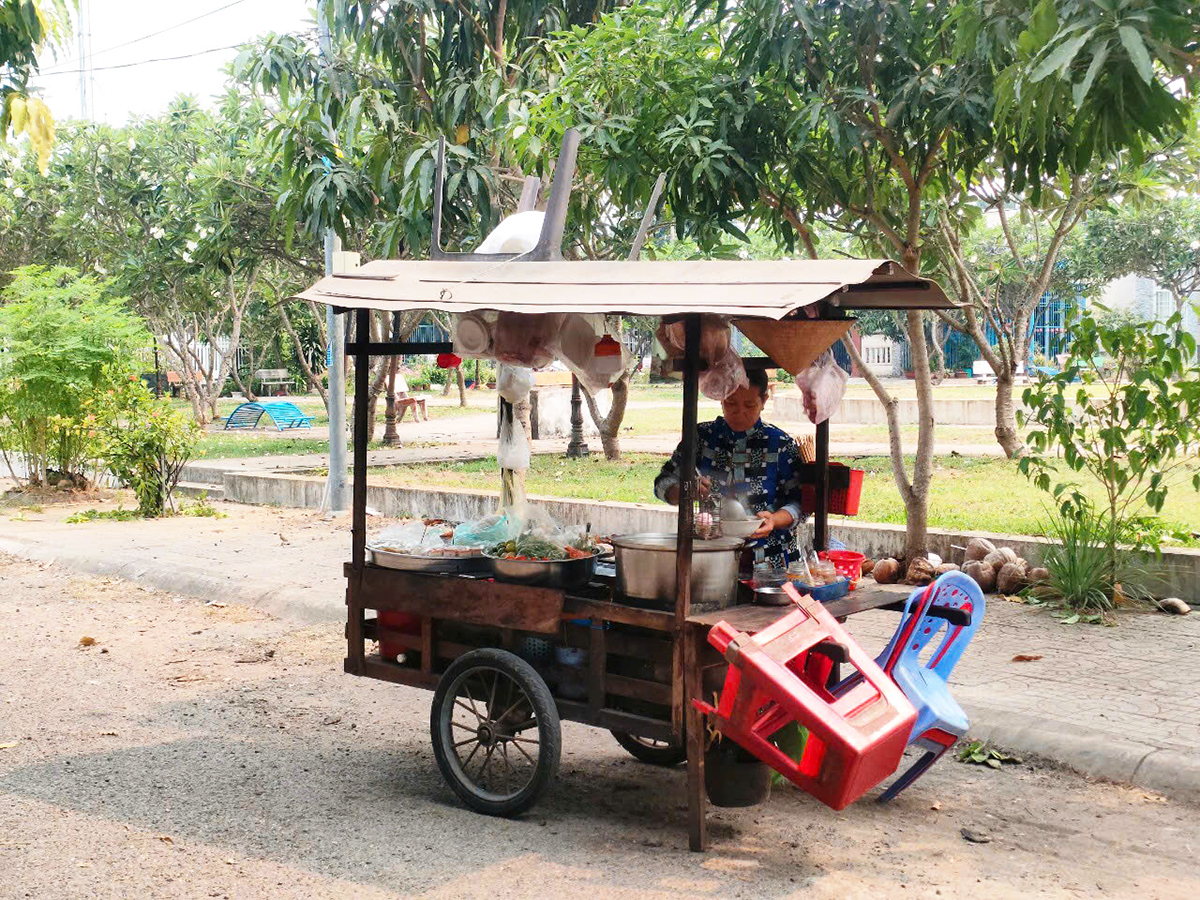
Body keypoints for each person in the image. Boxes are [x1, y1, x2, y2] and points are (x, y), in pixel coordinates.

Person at [654, 368, 805, 570]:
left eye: (749, 405)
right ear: (721, 399)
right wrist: (687, 490)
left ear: (764, 401)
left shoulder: (780, 444)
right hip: (712, 554)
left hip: (771, 558)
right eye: (731, 403)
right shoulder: (702, 437)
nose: (739, 412)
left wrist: (774, 520)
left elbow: (800, 502)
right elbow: (662, 484)